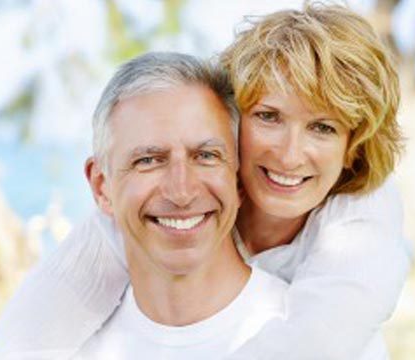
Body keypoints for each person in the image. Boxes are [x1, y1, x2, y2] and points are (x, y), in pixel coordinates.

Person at [0, 3, 410, 360]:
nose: (289, 154)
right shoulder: (157, 205)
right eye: (268, 116)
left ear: (353, 146)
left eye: (323, 128)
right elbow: (30, 333)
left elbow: (320, 337)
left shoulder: (361, 222)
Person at [71, 51, 288, 360]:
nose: (182, 191)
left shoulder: (316, 335)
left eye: (206, 156)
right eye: (148, 160)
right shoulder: (73, 347)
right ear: (101, 187)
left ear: (239, 179)